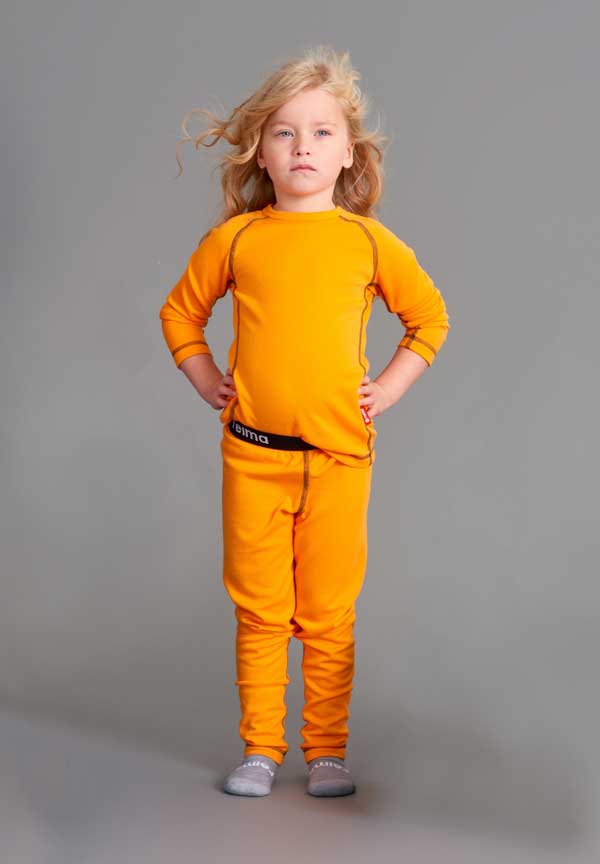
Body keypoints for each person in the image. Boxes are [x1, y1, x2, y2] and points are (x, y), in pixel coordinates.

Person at [159, 45, 450, 798]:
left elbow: (429, 319)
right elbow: (181, 314)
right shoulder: (238, 239)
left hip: (339, 462)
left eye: (322, 132)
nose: (302, 148)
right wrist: (206, 379)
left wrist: (388, 388)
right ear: (261, 149)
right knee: (260, 612)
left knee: (327, 612)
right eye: (284, 133)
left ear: (349, 151)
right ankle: (261, 747)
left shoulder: (368, 242)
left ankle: (326, 752)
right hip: (254, 458)